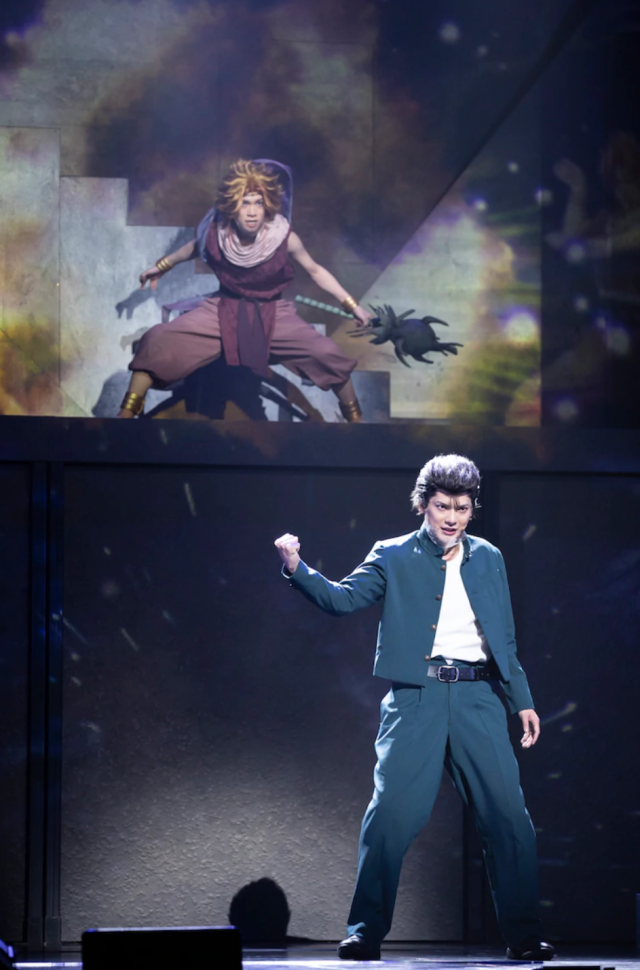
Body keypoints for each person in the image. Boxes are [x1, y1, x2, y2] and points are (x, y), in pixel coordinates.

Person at [274, 454, 554, 961]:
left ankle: (524, 935)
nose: (452, 517)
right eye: (443, 506)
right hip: (415, 698)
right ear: (423, 504)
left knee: (509, 819)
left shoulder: (489, 557)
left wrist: (522, 700)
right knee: (390, 818)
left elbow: (504, 638)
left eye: (462, 508)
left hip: (477, 698)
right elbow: (342, 599)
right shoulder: (393, 553)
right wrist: (296, 567)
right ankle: (365, 931)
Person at [118, 159, 369, 421]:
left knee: (327, 354)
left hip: (272, 312)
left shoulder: (283, 237)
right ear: (232, 207)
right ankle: (125, 414)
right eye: (245, 203)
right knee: (157, 339)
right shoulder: (217, 234)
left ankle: (356, 423)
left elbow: (315, 271)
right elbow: (193, 247)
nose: (252, 212)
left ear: (267, 205)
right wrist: (161, 267)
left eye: (258, 203)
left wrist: (353, 306)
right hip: (223, 309)